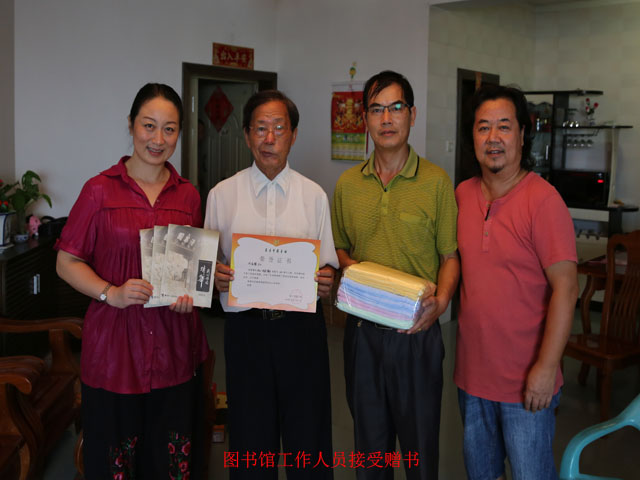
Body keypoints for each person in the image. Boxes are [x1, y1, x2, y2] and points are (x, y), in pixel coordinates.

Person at [56, 83, 209, 479]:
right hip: (115, 349)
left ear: (179, 133)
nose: (158, 139)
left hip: (173, 347)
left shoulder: (188, 196)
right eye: (148, 125)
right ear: (131, 125)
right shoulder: (98, 191)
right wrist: (111, 293)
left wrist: (189, 295)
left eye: (169, 129)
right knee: (115, 460)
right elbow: (66, 262)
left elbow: (191, 269)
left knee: (169, 459)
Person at [331, 70, 459, 480]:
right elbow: (339, 247)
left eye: (395, 108)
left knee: (420, 451)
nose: (386, 119)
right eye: (376, 109)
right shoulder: (348, 185)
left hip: (417, 335)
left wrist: (442, 302)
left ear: (412, 115)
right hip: (363, 335)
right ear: (365, 119)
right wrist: (351, 268)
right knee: (371, 452)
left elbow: (450, 256)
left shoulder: (436, 183)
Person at [205, 89, 338, 479]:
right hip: (246, 333)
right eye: (260, 128)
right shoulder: (222, 195)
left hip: (301, 332)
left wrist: (326, 281)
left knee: (307, 436)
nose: (269, 138)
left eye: (279, 128)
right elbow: (206, 271)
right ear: (247, 135)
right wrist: (215, 276)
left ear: (293, 135)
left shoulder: (314, 196)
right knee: (250, 438)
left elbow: (327, 268)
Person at [454, 84, 579, 480]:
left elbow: (567, 288)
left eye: (504, 127)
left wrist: (546, 367)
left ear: (523, 135)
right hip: (472, 379)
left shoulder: (543, 201)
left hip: (526, 383)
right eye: (483, 127)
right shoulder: (462, 195)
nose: (493, 138)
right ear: (472, 136)